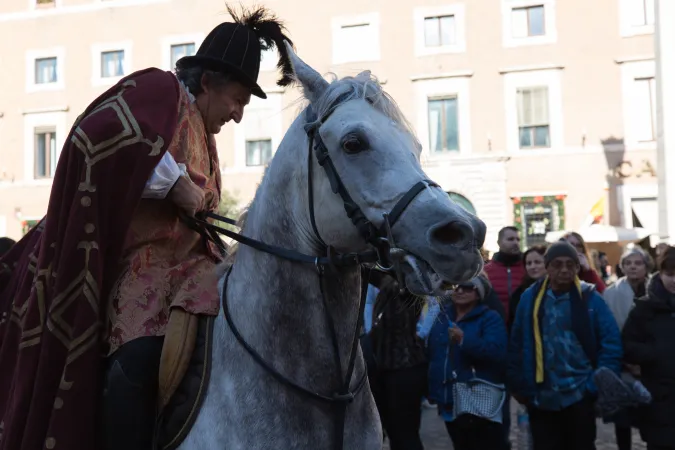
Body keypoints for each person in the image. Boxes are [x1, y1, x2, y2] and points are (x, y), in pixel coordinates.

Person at [0, 6, 294, 450]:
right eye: (238, 99)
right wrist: (173, 183)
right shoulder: (161, 89)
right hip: (139, 272)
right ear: (209, 81)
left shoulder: (208, 140)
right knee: (138, 359)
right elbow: (96, 134)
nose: (237, 115)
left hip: (192, 275)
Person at [508, 241, 622, 450]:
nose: (564, 270)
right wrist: (518, 383)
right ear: (547, 266)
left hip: (579, 393)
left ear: (577, 268)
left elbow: (611, 342)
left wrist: (594, 384)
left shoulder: (590, 299)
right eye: (558, 264)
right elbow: (517, 342)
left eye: (571, 265)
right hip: (541, 395)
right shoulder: (530, 298)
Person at [427, 277, 508, 450]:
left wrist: (464, 340)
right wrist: (433, 391)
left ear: (479, 293)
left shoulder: (490, 318)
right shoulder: (443, 316)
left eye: (467, 287)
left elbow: (497, 352)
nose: (460, 291)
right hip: (448, 399)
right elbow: (435, 355)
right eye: (456, 286)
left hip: (476, 399)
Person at [622, 246, 675, 450]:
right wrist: (655, 353)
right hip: (659, 397)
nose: (674, 280)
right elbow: (627, 344)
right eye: (669, 274)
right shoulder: (644, 308)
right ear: (660, 274)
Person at [368, 276, 428, 450]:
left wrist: (423, 333)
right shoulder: (385, 283)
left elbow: (429, 301)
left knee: (406, 434)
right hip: (384, 369)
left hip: (405, 369)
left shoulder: (409, 286)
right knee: (394, 432)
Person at [603, 247, 653, 450]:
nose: (633, 267)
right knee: (622, 419)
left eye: (638, 263)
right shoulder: (611, 292)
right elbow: (608, 330)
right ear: (622, 267)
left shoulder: (656, 289)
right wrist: (625, 360)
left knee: (651, 419)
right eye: (628, 263)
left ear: (646, 266)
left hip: (650, 363)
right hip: (621, 363)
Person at [484, 226, 526, 321]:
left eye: (518, 239)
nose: (516, 243)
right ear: (499, 243)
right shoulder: (486, 270)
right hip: (494, 325)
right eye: (510, 239)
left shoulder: (528, 268)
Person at [507, 245, 547, 333]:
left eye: (537, 262)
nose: (532, 266)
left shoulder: (557, 289)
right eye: (529, 263)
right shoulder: (520, 294)